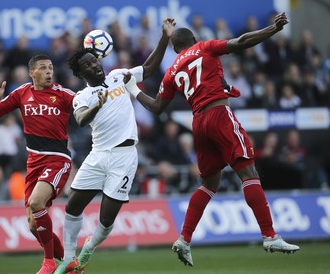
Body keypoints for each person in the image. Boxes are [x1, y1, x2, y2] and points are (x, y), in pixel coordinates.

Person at [123, 12, 299, 267]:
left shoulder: (172, 70)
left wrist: (132, 90)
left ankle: (184, 239)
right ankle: (270, 235)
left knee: (208, 184)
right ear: (194, 39)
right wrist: (272, 30)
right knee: (249, 173)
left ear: (174, 48)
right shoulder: (204, 47)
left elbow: (158, 107)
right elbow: (241, 41)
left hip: (198, 123)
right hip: (219, 114)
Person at [54, 18, 176, 274]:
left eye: (94, 60)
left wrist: (165, 36)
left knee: (107, 219)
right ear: (80, 73)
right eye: (87, 64)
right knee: (73, 206)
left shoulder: (119, 76)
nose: (94, 65)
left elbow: (150, 68)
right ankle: (68, 258)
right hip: (98, 155)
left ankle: (89, 249)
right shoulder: (83, 97)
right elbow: (80, 119)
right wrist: (97, 104)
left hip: (124, 156)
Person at [0, 54, 75, 274]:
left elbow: (84, 104)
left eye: (50, 68)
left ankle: (49, 262)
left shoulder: (63, 95)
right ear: (31, 72)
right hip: (34, 163)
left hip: (57, 159)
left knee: (36, 203)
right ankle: (68, 262)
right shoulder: (21, 93)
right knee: (34, 226)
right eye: (43, 68)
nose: (48, 72)